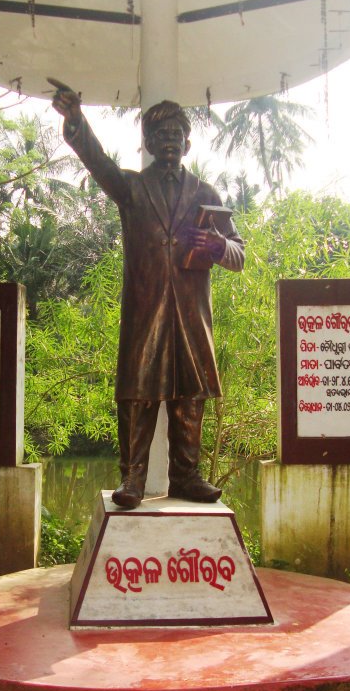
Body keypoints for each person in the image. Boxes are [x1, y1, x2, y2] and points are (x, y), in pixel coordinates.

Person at [52, 85, 244, 509]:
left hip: (192, 314)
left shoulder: (207, 194)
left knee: (189, 396)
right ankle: (133, 478)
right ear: (148, 144)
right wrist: (76, 121)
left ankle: (186, 476)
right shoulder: (132, 189)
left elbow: (238, 254)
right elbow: (98, 164)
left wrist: (216, 246)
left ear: (188, 143)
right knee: (139, 393)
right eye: (160, 134)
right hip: (146, 307)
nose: (169, 139)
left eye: (176, 132)